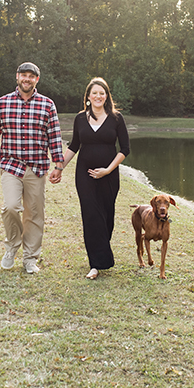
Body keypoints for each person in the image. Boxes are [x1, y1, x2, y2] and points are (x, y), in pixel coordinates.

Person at [0, 62, 65, 274]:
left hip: (37, 168)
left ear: (37, 80)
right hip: (11, 166)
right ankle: (12, 246)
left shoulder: (47, 105)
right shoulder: (2, 103)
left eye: (31, 76)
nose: (27, 79)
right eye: (23, 75)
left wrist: (58, 165)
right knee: (10, 207)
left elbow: (54, 137)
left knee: (34, 214)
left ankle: (30, 258)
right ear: (17, 77)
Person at [50, 77, 129, 280]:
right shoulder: (80, 119)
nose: (98, 96)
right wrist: (59, 167)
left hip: (109, 176)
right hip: (84, 175)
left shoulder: (116, 118)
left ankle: (101, 253)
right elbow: (74, 146)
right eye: (94, 93)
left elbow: (125, 149)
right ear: (88, 96)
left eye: (102, 93)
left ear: (106, 96)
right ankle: (95, 263)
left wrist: (108, 170)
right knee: (91, 216)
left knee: (106, 216)